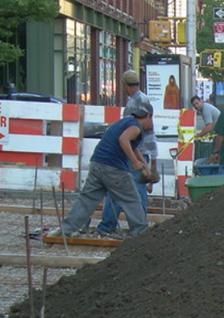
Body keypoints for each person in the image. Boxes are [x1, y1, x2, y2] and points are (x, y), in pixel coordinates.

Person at [49, 104, 154, 238]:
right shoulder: (136, 127)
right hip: (113, 167)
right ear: (148, 116)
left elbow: (133, 148)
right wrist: (134, 162)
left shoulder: (125, 122)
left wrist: (146, 168)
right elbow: (123, 140)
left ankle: (66, 230)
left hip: (97, 163)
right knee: (131, 199)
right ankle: (141, 232)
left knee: (87, 199)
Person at [96, 70, 158, 235]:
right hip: (139, 153)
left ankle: (111, 227)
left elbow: (131, 135)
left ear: (124, 85)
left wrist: (138, 159)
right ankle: (136, 227)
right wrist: (152, 158)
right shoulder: (142, 99)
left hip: (134, 153)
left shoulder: (134, 104)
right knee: (133, 190)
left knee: (122, 189)